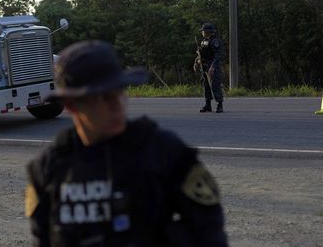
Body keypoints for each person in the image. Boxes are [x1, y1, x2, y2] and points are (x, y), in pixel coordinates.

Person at [25, 40, 229, 247]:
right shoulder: (49, 167)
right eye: (103, 97)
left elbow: (209, 229)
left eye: (119, 91)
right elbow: (42, 238)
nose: (117, 104)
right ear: (72, 106)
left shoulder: (163, 151)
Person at [194, 23, 224, 113]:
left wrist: (212, 67)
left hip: (212, 66)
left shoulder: (215, 41)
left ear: (208, 32)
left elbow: (218, 55)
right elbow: (200, 53)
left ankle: (219, 105)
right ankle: (208, 105)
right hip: (204, 66)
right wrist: (196, 62)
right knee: (206, 86)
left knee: (215, 85)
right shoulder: (204, 41)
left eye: (203, 31)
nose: (202, 32)